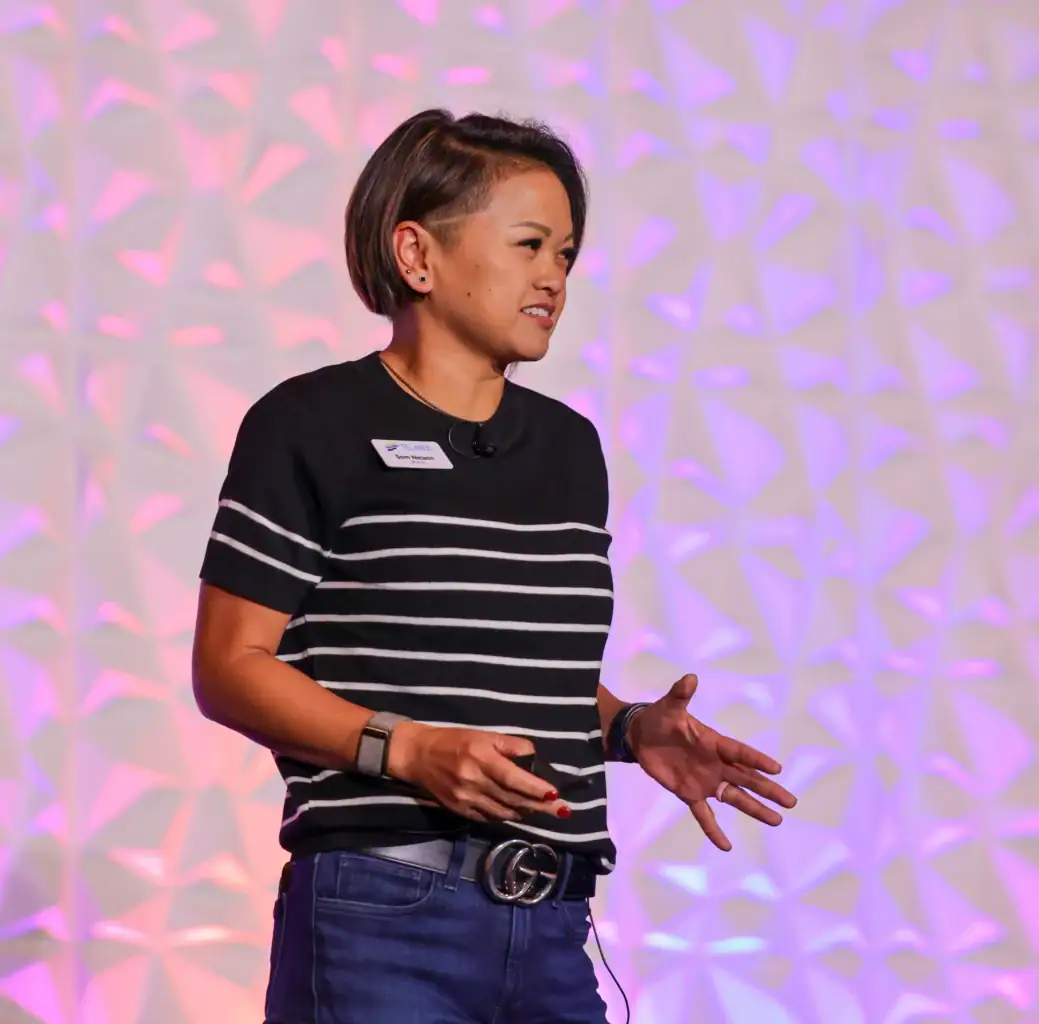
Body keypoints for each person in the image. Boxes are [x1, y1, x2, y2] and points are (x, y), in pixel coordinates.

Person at [191, 107, 797, 1024]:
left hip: (550, 920)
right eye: (528, 245)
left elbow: (504, 671)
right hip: (378, 915)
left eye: (564, 253)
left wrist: (629, 728)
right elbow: (228, 669)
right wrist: (411, 751)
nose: (553, 276)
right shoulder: (307, 424)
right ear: (416, 256)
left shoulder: (567, 449)